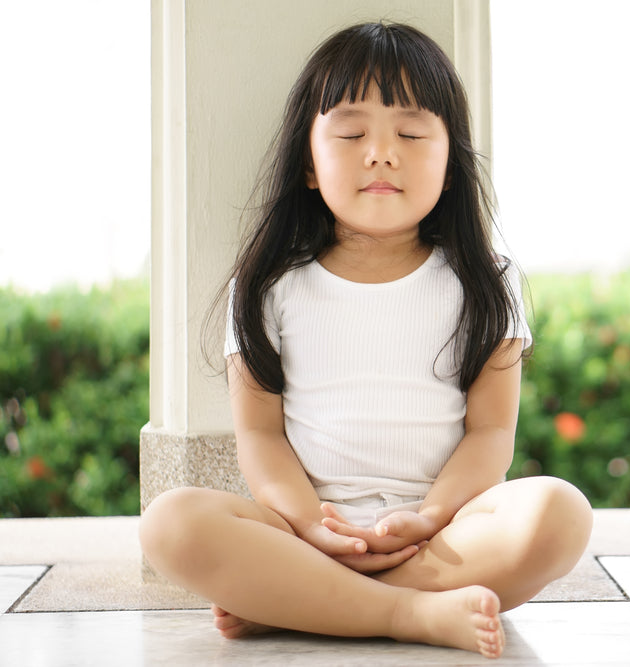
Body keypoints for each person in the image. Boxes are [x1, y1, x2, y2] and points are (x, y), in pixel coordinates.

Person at [139, 22, 593, 660]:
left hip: (446, 534)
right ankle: (408, 611)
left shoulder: (486, 281)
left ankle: (309, 604)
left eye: (410, 133)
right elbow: (261, 437)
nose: (381, 153)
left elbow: (491, 433)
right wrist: (308, 526)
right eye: (351, 134)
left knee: (561, 513)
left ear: (451, 163)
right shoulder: (269, 283)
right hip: (307, 533)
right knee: (170, 523)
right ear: (308, 164)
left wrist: (432, 517)